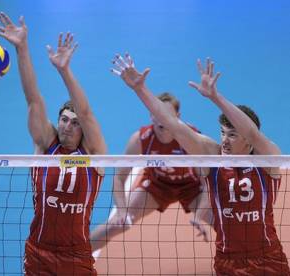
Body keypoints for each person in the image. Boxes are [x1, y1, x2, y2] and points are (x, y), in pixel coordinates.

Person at [112, 54, 290, 275]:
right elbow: (173, 125)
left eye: (232, 135)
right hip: (228, 261)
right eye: (222, 133)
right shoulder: (212, 158)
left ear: (246, 139)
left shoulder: (268, 162)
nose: (224, 140)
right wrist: (140, 90)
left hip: (268, 259)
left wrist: (215, 97)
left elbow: (253, 133)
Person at [0, 12, 107, 275]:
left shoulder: (95, 155)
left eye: (74, 122)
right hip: (38, 252)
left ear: (83, 130)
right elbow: (33, 98)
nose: (68, 125)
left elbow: (87, 113)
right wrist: (21, 48)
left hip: (77, 254)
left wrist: (64, 71)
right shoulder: (46, 146)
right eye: (64, 120)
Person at [90, 91, 212, 253]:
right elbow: (119, 177)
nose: (162, 119)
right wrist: (121, 210)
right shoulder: (141, 139)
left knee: (223, 222)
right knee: (117, 224)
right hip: (157, 185)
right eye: (157, 113)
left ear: (178, 116)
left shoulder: (191, 138)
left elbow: (208, 183)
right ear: (151, 115)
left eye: (167, 114)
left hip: (191, 186)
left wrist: (199, 216)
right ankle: (77, 255)